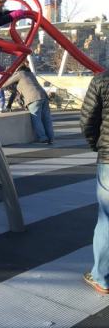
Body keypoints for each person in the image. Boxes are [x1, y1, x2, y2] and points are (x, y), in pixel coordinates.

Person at [80, 71, 109, 294]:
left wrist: (97, 145)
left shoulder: (102, 79)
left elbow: (88, 119)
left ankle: (101, 276)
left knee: (107, 218)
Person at [2, 65, 54, 143]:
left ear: (19, 70)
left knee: (36, 119)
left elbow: (5, 84)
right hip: (43, 96)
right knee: (47, 119)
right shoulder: (31, 74)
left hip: (33, 98)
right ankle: (51, 137)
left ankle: (43, 137)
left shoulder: (20, 74)